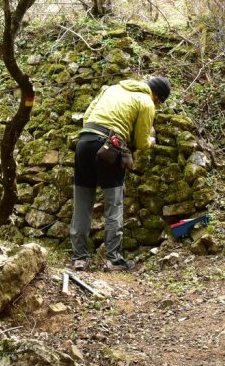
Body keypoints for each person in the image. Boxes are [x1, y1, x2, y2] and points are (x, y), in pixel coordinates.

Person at [70, 75, 171, 271]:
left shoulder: (111, 88)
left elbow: (86, 117)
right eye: (159, 103)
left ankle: (79, 258)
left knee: (82, 203)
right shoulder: (146, 102)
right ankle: (113, 259)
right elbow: (141, 142)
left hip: (84, 143)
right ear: (158, 97)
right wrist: (151, 140)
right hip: (110, 148)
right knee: (113, 203)